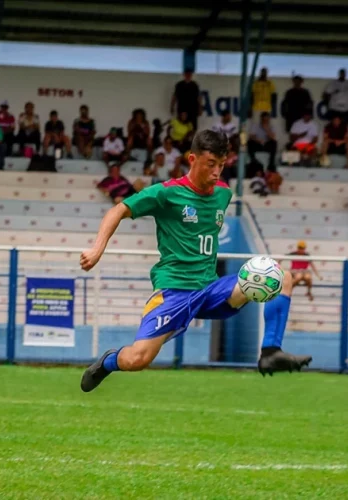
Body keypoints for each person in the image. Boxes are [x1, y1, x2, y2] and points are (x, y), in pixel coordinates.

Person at [78, 130, 312, 392]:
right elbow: (118, 209)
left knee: (282, 277)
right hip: (173, 292)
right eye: (210, 164)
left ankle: (270, 351)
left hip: (210, 289)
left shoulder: (223, 193)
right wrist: (97, 249)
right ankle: (107, 362)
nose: (216, 172)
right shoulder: (166, 194)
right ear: (192, 159)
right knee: (138, 359)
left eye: (221, 166)